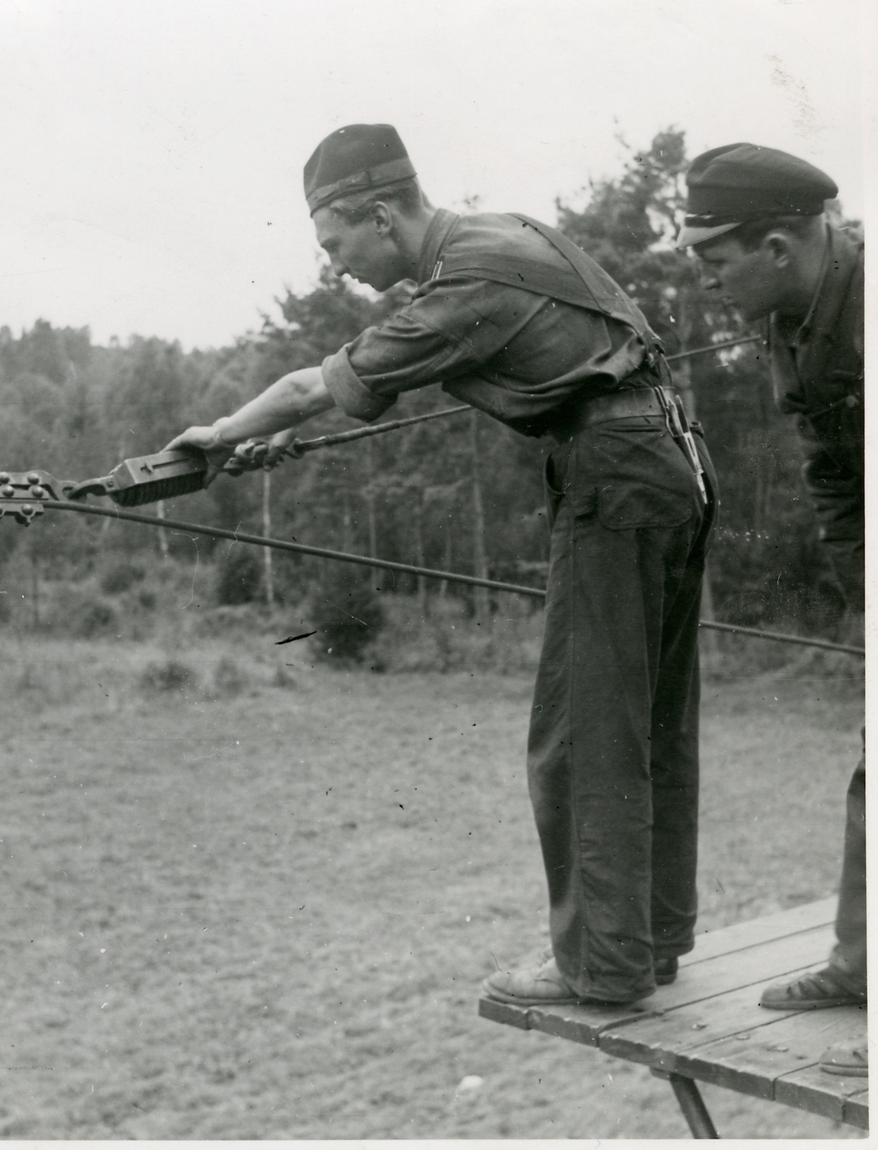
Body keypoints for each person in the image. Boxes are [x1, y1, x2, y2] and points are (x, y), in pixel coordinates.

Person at [167, 124, 718, 1006]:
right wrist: (278, 432)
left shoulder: (464, 283)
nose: (337, 266)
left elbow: (315, 385)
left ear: (380, 216)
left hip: (614, 477)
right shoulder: (506, 236)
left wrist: (221, 433)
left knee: (584, 736)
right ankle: (645, 943)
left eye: (335, 244)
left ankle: (604, 963)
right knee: (652, 717)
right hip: (671, 462)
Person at [682, 142, 865, 1077]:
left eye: (715, 260)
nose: (708, 282)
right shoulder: (794, 320)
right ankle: (862, 965)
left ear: (781, 246)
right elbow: (836, 474)